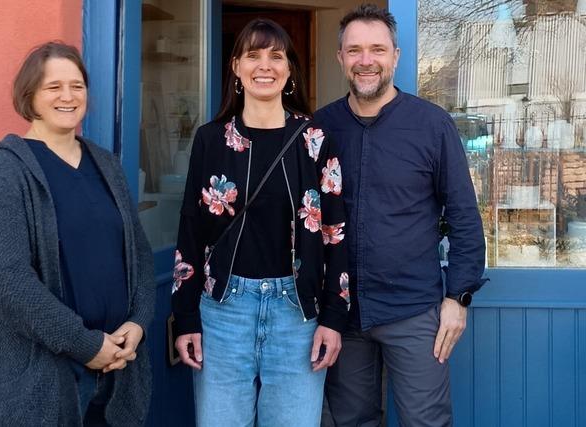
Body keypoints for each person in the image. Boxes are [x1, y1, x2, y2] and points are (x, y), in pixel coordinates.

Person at [171, 18, 350, 427]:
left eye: (276, 56)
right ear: (236, 67)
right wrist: (185, 318)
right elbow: (191, 231)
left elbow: (335, 233)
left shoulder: (315, 140)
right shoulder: (211, 140)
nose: (264, 65)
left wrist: (334, 318)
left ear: (289, 71)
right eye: (253, 55)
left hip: (297, 313)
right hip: (223, 312)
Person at [0, 42, 156, 426]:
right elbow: (8, 281)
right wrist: (86, 346)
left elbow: (140, 255)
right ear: (29, 96)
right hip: (46, 381)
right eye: (53, 87)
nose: (68, 96)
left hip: (120, 370)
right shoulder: (3, 172)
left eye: (77, 86)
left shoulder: (105, 164)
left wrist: (138, 322)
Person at [315, 4, 486, 427]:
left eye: (377, 49)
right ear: (341, 58)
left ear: (395, 56)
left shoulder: (432, 125)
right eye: (355, 50)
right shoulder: (319, 128)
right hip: (342, 314)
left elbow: (464, 216)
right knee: (350, 422)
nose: (366, 60)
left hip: (414, 310)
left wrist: (457, 297)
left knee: (425, 423)